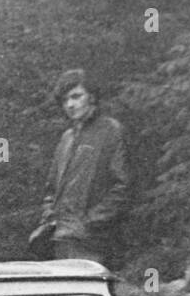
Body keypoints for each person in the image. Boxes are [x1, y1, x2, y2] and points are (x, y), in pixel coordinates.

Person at [28, 68, 129, 268]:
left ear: (91, 97)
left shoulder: (111, 131)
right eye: (65, 100)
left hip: (93, 242)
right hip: (60, 239)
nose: (70, 105)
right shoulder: (66, 138)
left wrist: (90, 222)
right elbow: (51, 190)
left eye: (76, 96)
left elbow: (123, 187)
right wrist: (50, 216)